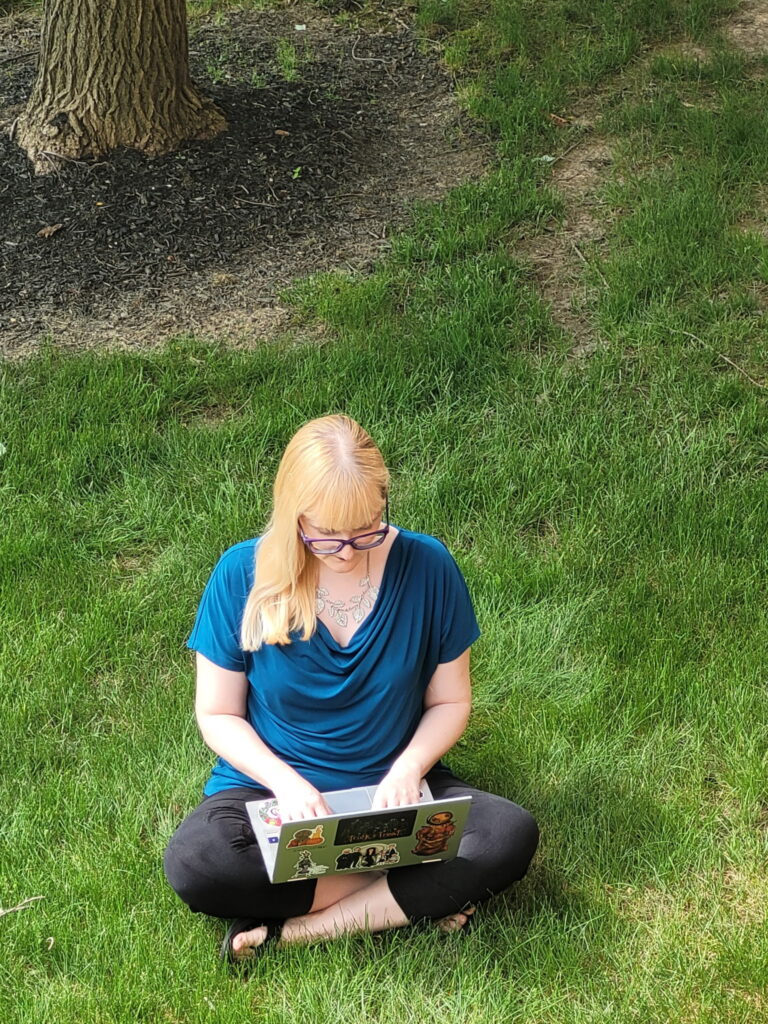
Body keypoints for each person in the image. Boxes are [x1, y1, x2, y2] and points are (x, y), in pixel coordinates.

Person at [163, 415, 539, 961]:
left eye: (366, 529)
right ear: (294, 516)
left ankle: (293, 932)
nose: (347, 551)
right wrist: (287, 785)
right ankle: (409, 897)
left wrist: (408, 769)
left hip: (393, 792)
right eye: (327, 537)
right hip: (274, 794)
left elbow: (451, 700)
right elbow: (218, 714)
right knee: (198, 863)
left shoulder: (428, 566)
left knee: (507, 836)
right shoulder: (239, 574)